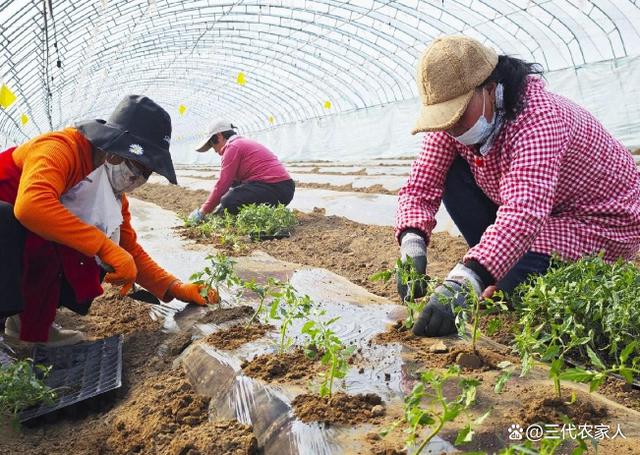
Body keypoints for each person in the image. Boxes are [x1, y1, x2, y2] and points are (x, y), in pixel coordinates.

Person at [395, 35, 640, 337]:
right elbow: (421, 184)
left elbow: (524, 215)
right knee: (452, 171)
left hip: (598, 221)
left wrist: (466, 279)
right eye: (443, 116)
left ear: (488, 87)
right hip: (540, 211)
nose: (450, 125)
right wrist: (412, 243)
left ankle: (496, 270)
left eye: (457, 112)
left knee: (515, 290)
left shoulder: (539, 118)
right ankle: (495, 265)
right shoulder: (453, 123)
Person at [0, 95, 217, 346]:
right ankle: (19, 318)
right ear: (115, 151)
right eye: (139, 166)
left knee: (73, 248)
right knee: (13, 220)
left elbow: (128, 250)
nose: (139, 178)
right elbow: (30, 207)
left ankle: (28, 322)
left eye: (147, 173)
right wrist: (103, 247)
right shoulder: (60, 147)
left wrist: (175, 288)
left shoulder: (113, 197)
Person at [187, 120, 295, 223]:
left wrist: (202, 212)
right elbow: (231, 184)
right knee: (233, 186)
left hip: (276, 188)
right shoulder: (240, 143)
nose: (214, 150)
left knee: (229, 201)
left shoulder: (232, 147)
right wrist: (219, 210)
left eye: (212, 144)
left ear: (219, 136)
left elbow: (222, 185)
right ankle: (264, 211)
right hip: (283, 188)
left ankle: (260, 217)